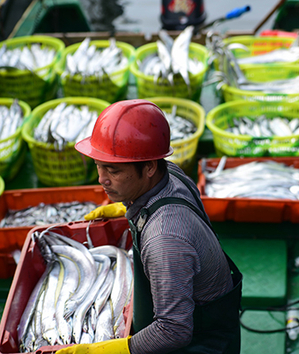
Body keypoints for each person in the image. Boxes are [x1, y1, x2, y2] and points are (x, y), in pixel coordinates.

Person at [57, 99, 242, 354]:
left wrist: (102, 351)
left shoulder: (164, 239)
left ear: (149, 167)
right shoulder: (172, 173)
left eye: (113, 171)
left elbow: (174, 330)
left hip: (202, 341)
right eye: (98, 166)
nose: (102, 180)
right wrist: (127, 208)